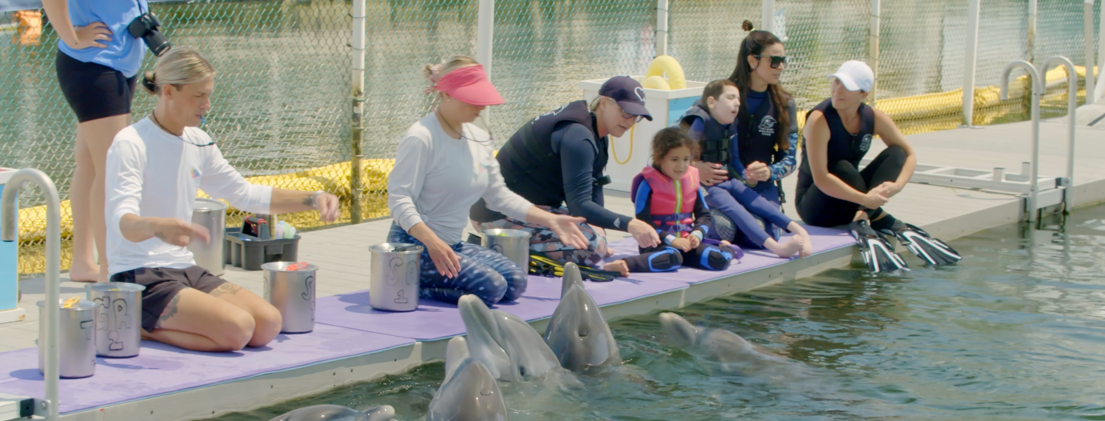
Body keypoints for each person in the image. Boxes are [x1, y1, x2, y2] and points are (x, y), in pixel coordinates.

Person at [104, 48, 342, 352]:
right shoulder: (131, 143)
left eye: (209, 95)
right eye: (199, 96)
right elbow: (122, 222)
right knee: (238, 329)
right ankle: (134, 325)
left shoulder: (198, 141)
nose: (207, 105)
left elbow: (244, 193)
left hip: (184, 269)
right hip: (139, 275)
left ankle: (152, 324)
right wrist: (158, 226)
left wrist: (313, 197)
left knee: (268, 323)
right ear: (168, 92)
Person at [387, 56, 590, 307]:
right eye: (472, 98)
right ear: (447, 94)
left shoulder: (478, 138)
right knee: (491, 288)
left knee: (515, 281)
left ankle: (431, 281)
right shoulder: (422, 137)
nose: (481, 106)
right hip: (416, 247)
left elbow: (499, 196)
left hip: (452, 245)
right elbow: (398, 198)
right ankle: (411, 285)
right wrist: (432, 242)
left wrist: (551, 219)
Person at [469, 76, 662, 276]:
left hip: (531, 208)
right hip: (494, 213)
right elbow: (579, 205)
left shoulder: (596, 133)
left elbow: (594, 188)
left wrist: (600, 232)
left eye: (636, 116)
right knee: (590, 247)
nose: (630, 121)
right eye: (626, 112)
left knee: (594, 238)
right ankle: (496, 249)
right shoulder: (578, 136)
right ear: (604, 103)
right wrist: (630, 224)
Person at [795, 60, 960, 271]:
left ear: (863, 94)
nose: (837, 90)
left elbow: (909, 155)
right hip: (816, 207)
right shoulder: (819, 119)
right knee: (842, 167)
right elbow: (821, 178)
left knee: (896, 153)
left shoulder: (873, 117)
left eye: (847, 86)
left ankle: (863, 215)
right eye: (836, 82)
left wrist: (897, 186)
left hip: (851, 199)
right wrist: (867, 199)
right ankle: (876, 215)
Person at [44, 0, 152, 282]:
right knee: (112, 169)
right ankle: (110, 268)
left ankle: (83, 261)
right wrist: (72, 36)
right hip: (94, 64)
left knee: (92, 166)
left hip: (117, 63)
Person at [679, 79, 811, 258]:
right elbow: (681, 155)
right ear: (712, 102)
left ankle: (802, 233)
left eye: (739, 100)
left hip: (729, 181)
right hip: (709, 187)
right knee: (736, 209)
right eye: (731, 98)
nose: (737, 103)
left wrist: (745, 176)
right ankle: (778, 249)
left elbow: (734, 160)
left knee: (757, 201)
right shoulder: (700, 122)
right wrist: (694, 167)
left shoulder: (731, 125)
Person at [693, 23, 798, 209]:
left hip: (761, 188)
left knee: (760, 231)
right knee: (725, 229)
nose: (781, 67)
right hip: (720, 186)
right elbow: (674, 141)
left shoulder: (784, 104)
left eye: (784, 60)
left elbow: (789, 160)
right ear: (752, 61)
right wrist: (694, 167)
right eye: (774, 60)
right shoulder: (720, 95)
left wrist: (769, 172)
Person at [619, 128, 740, 273]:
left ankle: (727, 247)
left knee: (718, 259)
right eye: (674, 159)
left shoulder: (692, 181)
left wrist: (696, 234)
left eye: (686, 159)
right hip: (656, 243)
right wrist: (672, 240)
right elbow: (643, 223)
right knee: (673, 258)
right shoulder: (647, 184)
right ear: (659, 158)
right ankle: (625, 264)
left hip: (687, 243)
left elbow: (704, 216)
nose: (681, 166)